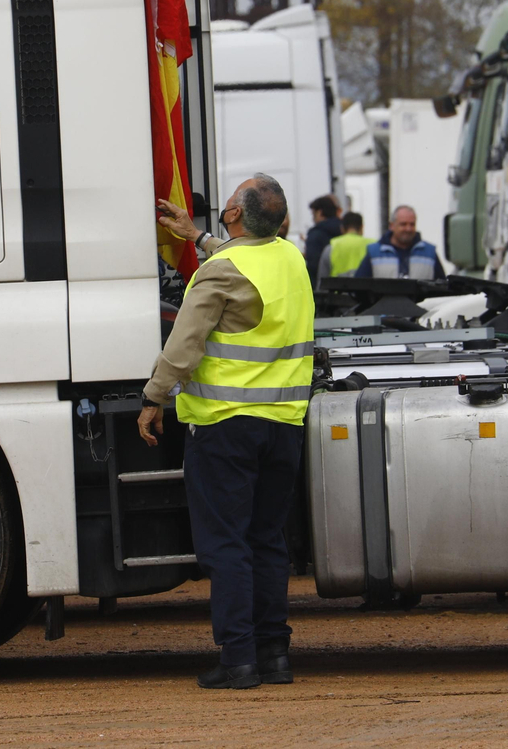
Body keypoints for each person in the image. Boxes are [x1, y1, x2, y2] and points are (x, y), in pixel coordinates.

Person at [140, 175, 312, 690]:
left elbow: (184, 344)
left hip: (225, 427)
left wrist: (153, 397)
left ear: (235, 215)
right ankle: (273, 655)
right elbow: (248, 259)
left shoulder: (220, 273)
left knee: (227, 545)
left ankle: (238, 659)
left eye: (231, 202)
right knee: (266, 540)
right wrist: (194, 235)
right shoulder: (290, 258)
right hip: (283, 426)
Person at [353, 205, 446, 280]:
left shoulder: (429, 253)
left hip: (420, 304)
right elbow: (360, 285)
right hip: (385, 304)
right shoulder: (374, 252)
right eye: (403, 224)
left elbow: (442, 287)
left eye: (412, 224)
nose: (408, 229)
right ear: (392, 226)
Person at [316, 212, 374, 286]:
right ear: (362, 227)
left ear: (342, 228)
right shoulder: (373, 246)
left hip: (337, 294)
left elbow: (322, 282)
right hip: (366, 295)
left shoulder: (331, 247)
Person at [301, 195, 343, 283]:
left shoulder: (315, 234)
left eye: (313, 214)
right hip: (348, 285)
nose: (313, 219)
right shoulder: (343, 230)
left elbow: (313, 266)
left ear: (320, 212)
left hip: (324, 289)